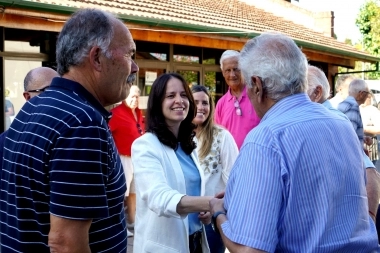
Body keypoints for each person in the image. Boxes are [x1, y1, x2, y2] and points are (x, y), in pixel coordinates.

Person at [209, 32, 379, 252]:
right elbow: (370, 174)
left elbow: (249, 250)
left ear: (257, 86)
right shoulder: (341, 123)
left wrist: (218, 213)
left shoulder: (265, 139)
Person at [0, 8, 138, 252]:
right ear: (96, 58)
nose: (135, 68)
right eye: (130, 55)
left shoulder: (33, 110)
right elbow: (65, 244)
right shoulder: (82, 123)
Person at [132, 73, 211, 253]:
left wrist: (203, 212)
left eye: (184, 95)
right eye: (170, 96)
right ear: (158, 103)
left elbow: (191, 189)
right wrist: (209, 202)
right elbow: (159, 197)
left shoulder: (190, 144)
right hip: (164, 247)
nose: (179, 100)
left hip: (196, 242)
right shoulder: (145, 145)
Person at [307, 65, 380, 222]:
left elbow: (369, 170)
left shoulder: (329, 119)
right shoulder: (336, 115)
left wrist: (369, 220)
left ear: (316, 93)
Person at [191, 85, 238, 253]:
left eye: (205, 103)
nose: (201, 107)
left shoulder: (222, 137)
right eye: (195, 102)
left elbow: (234, 181)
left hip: (212, 219)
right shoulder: (178, 138)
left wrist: (217, 210)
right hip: (184, 218)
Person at [0, 66, 59, 160]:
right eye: (48, 91)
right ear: (28, 97)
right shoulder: (7, 141)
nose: (57, 96)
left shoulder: (72, 131)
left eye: (60, 90)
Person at [109, 83, 144, 237]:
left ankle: (132, 222)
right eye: (132, 96)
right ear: (125, 97)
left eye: (137, 96)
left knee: (134, 192)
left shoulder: (138, 112)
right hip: (123, 158)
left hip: (137, 158)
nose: (135, 99)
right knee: (121, 192)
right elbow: (107, 133)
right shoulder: (116, 113)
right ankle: (119, 224)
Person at [214, 50, 260, 149]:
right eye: (228, 70)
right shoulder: (221, 104)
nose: (232, 75)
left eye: (236, 69)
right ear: (223, 73)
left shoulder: (257, 96)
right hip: (230, 162)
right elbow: (217, 136)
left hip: (255, 159)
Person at [338, 79, 371, 147]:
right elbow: (349, 136)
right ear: (361, 94)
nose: (368, 96)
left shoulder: (343, 104)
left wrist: (362, 138)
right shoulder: (353, 107)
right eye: (367, 93)